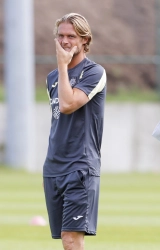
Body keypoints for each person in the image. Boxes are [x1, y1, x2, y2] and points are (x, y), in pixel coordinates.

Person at [43, 13, 107, 250]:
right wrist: (49, 166)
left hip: (80, 167)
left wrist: (62, 64)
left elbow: (68, 105)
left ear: (84, 40)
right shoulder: (52, 78)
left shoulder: (94, 73)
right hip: (54, 167)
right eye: (60, 36)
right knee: (64, 240)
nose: (65, 41)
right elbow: (57, 121)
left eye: (71, 36)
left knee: (71, 240)